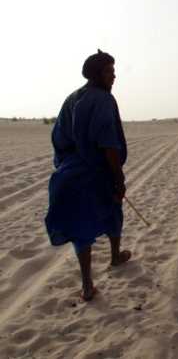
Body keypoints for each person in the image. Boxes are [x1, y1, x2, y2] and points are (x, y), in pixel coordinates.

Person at [45, 49, 131, 301]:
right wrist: (118, 177)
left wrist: (68, 165)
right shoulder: (103, 99)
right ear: (96, 74)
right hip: (96, 172)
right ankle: (114, 257)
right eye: (108, 72)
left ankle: (87, 285)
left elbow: (58, 138)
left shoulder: (72, 98)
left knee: (80, 225)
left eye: (114, 72)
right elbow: (108, 143)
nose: (114, 77)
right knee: (114, 209)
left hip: (68, 173)